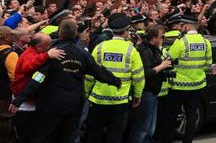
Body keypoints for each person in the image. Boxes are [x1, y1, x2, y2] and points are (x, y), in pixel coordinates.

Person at [10, 19, 121, 143]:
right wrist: (115, 81)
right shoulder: (82, 54)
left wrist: (19, 99)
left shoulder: (51, 53)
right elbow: (98, 71)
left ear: (59, 34)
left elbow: (38, 78)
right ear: (76, 34)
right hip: (72, 107)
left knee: (44, 138)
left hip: (50, 106)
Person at [84, 13, 145, 143]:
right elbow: (138, 76)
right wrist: (137, 96)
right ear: (126, 31)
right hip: (119, 101)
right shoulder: (131, 50)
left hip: (98, 99)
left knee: (94, 132)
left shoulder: (100, 48)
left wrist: (86, 91)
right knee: (115, 134)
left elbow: (90, 73)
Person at [160, 14, 212, 143]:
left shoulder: (181, 41)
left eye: (182, 26)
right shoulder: (205, 42)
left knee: (172, 116)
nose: (180, 28)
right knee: (191, 115)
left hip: (179, 85)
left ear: (187, 27)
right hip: (197, 85)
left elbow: (168, 57)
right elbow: (207, 65)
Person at [9, 32, 65, 142]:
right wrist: (47, 55)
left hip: (30, 101)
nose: (50, 49)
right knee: (25, 136)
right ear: (39, 47)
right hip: (24, 104)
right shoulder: (28, 55)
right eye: (48, 46)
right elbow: (27, 66)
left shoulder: (35, 52)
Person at [130, 24, 171, 143]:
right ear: (153, 38)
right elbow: (146, 72)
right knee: (142, 128)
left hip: (152, 93)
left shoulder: (153, 50)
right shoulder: (145, 51)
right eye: (161, 37)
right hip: (146, 93)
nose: (162, 39)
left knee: (149, 130)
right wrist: (162, 66)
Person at [0, 26, 19, 142]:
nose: (14, 37)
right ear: (6, 37)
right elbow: (15, 78)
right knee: (4, 124)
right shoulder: (10, 54)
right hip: (3, 97)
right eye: (12, 35)